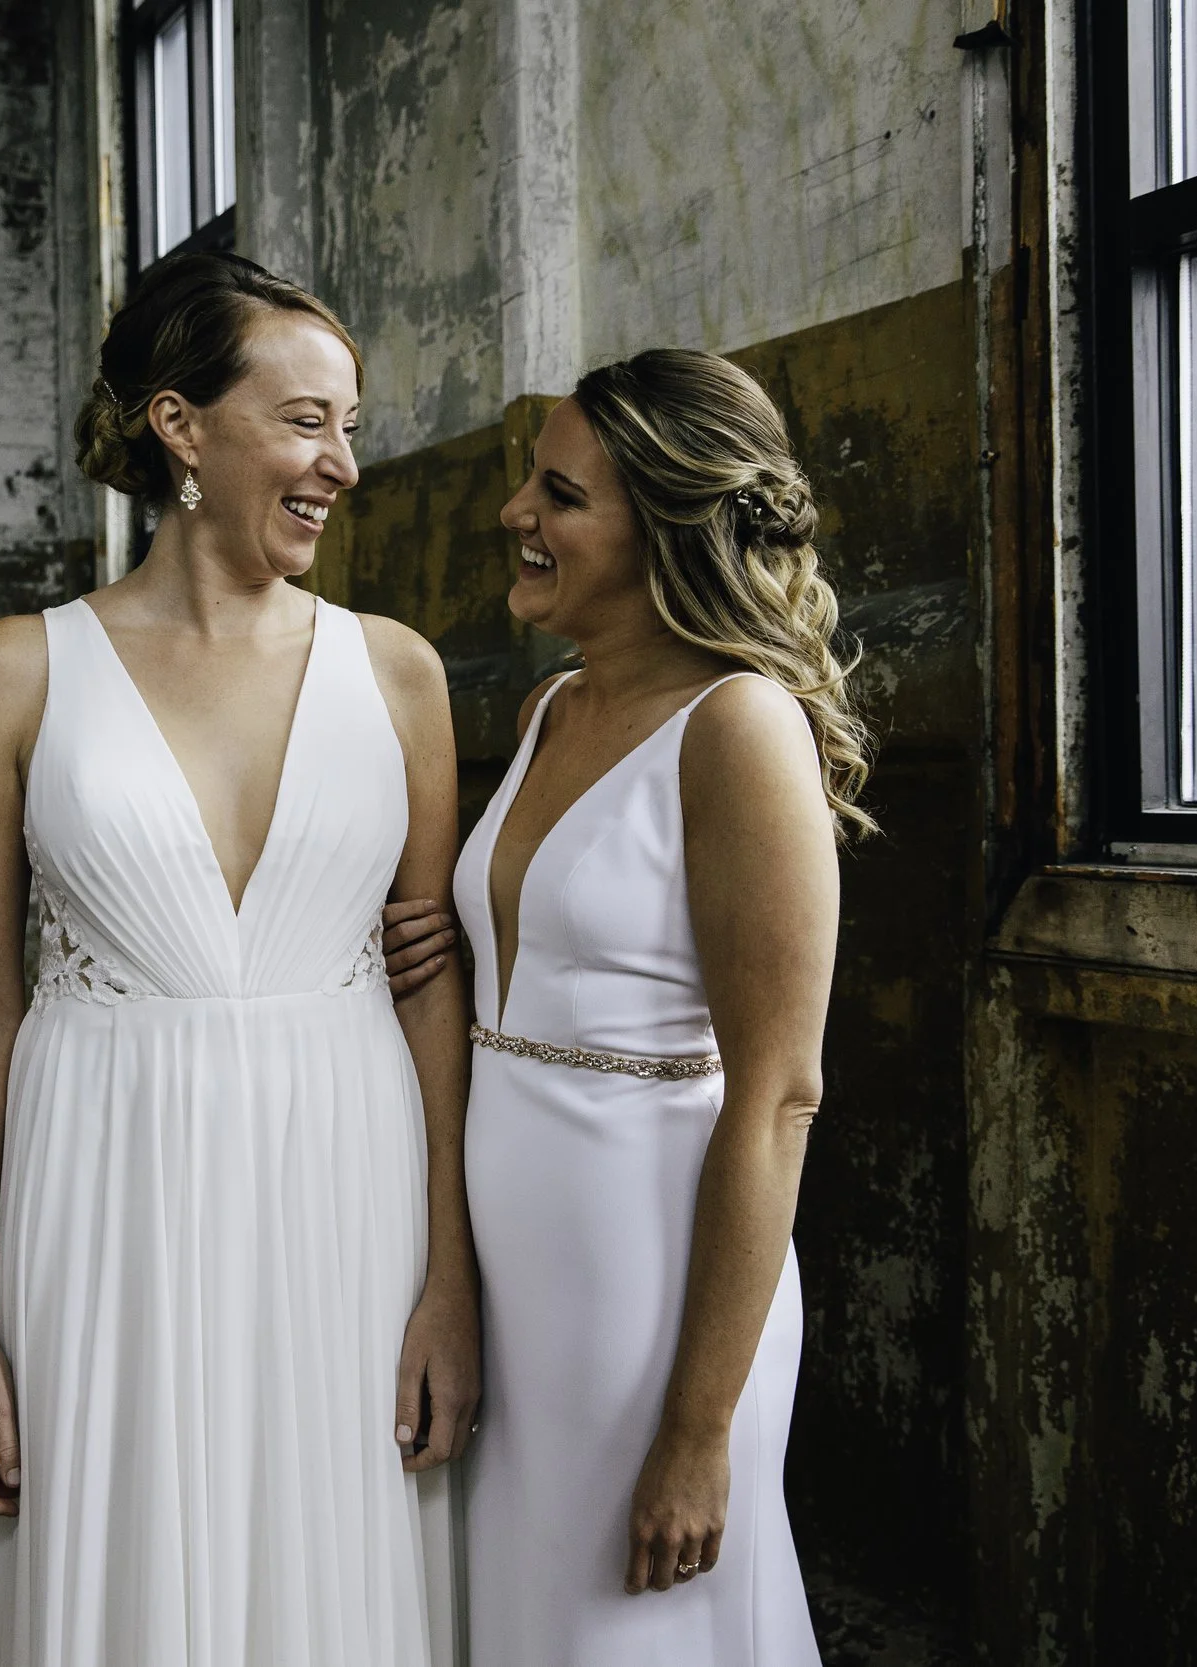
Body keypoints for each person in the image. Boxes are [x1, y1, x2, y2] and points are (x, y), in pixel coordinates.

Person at [0, 251, 479, 1667]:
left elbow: (431, 982)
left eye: (351, 424)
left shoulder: (399, 674)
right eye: (306, 421)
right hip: (105, 1203)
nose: (344, 463)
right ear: (181, 425)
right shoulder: (18, 668)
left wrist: (448, 1281)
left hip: (349, 1207)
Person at [453, 350, 872, 1665]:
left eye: (560, 494)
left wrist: (698, 1427)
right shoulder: (550, 708)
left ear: (665, 528)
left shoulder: (739, 727)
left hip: (651, 1294)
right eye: (532, 481)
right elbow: (531, 965)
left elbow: (780, 1093)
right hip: (516, 1284)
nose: (518, 512)